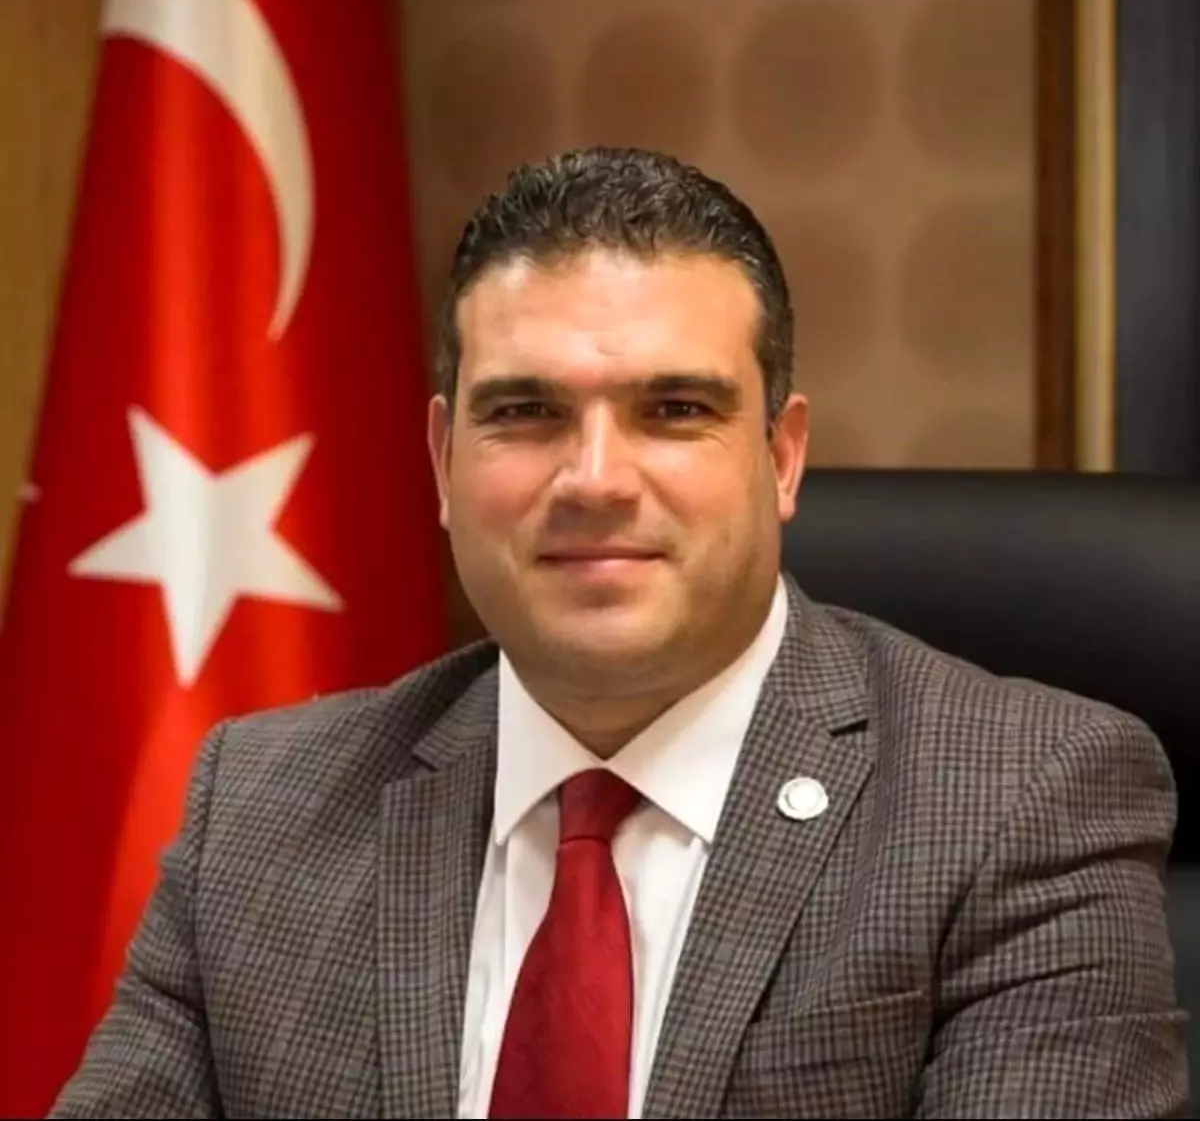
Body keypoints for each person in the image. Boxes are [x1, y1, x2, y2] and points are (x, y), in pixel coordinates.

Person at [51, 146, 1187, 1119]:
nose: (594, 479)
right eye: (526, 412)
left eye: (675, 411)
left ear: (782, 458)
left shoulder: (1021, 799)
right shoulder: (261, 810)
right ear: (443, 462)